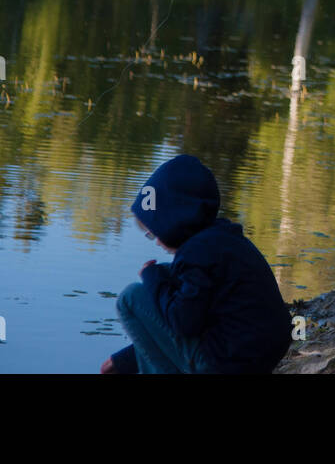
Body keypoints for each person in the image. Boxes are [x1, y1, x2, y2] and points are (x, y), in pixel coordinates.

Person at [101, 154, 292, 374]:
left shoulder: (197, 253)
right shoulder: (225, 241)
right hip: (252, 355)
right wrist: (126, 359)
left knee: (131, 298)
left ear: (174, 218)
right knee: (167, 275)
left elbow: (183, 323)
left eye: (154, 232)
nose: (157, 242)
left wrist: (152, 278)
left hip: (227, 362)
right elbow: (198, 319)